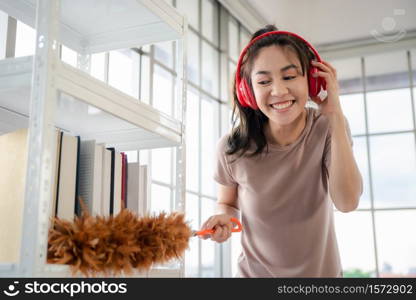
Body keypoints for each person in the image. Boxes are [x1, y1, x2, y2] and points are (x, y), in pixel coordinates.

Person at [198, 25, 363, 277]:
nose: (278, 91)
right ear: (248, 91)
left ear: (311, 79)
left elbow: (348, 201)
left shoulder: (328, 129)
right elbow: (227, 203)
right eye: (264, 81)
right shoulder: (231, 148)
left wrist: (334, 113)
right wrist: (223, 218)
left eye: (289, 77)